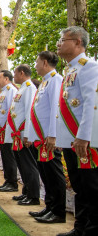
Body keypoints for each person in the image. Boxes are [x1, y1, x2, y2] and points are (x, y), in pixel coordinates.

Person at [55, 26, 98, 236]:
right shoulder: (71, 69)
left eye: (63, 40)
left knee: (91, 188)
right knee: (79, 186)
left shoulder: (88, 66)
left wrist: (84, 136)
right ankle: (80, 227)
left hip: (82, 140)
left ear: (78, 42)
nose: (59, 43)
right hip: (70, 139)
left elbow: (92, 103)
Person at [27, 51, 66, 223]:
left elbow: (55, 109)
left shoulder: (56, 80)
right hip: (40, 137)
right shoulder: (45, 82)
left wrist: (52, 135)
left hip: (48, 138)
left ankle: (58, 211)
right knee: (46, 173)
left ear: (45, 62)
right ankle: (50, 206)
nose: (35, 65)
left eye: (37, 62)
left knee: (54, 174)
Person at [6, 65, 39, 205]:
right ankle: (26, 192)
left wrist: (27, 134)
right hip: (18, 133)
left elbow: (29, 112)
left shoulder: (30, 87)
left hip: (24, 132)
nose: (14, 76)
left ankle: (33, 196)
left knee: (28, 165)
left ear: (22, 73)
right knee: (22, 165)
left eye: (15, 73)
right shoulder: (23, 88)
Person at [0, 70, 19, 192]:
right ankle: (8, 180)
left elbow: (11, 111)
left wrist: (6, 128)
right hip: (2, 130)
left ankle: (12, 183)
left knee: (9, 157)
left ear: (7, 79)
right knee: (5, 156)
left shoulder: (11, 91)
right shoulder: (4, 91)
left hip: (7, 129)